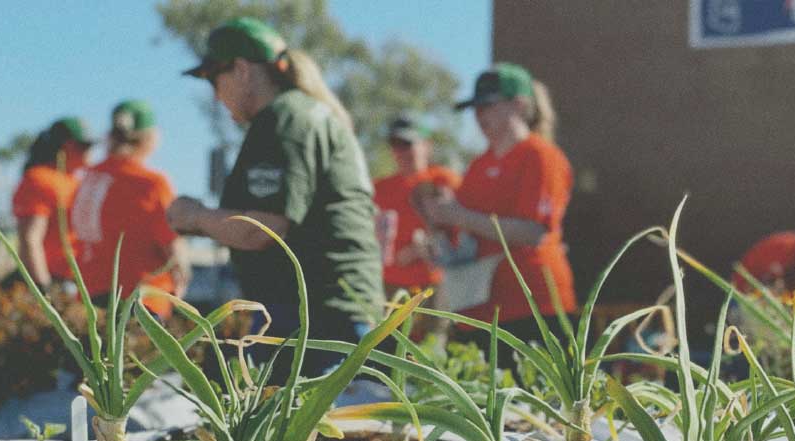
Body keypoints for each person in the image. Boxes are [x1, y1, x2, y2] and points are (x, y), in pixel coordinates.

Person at [168, 17, 383, 377]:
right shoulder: (308, 114)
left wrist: (194, 216)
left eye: (213, 79)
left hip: (315, 319)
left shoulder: (284, 120)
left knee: (298, 429)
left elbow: (261, 230)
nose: (215, 94)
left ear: (241, 70)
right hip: (333, 312)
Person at [416, 63, 576, 353]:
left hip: (533, 305)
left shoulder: (541, 156)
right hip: (479, 308)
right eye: (475, 108)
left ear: (519, 105)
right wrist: (437, 231)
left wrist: (460, 216)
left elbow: (532, 232)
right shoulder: (478, 166)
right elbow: (464, 235)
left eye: (488, 106)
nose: (479, 115)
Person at [70, 100, 189, 316]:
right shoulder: (151, 184)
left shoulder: (87, 179)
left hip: (90, 300)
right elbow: (173, 248)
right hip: (142, 303)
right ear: (149, 138)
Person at [373, 114, 460, 299]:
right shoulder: (378, 188)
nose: (402, 151)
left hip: (436, 284)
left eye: (408, 144)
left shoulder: (444, 180)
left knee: (436, 329)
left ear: (426, 146)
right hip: (389, 286)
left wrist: (421, 248)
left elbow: (463, 233)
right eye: (396, 144)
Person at [12, 117, 94, 288]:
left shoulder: (74, 181)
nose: (90, 153)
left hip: (74, 280)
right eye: (85, 146)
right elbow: (30, 238)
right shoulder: (40, 179)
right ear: (67, 146)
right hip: (52, 279)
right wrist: (43, 287)